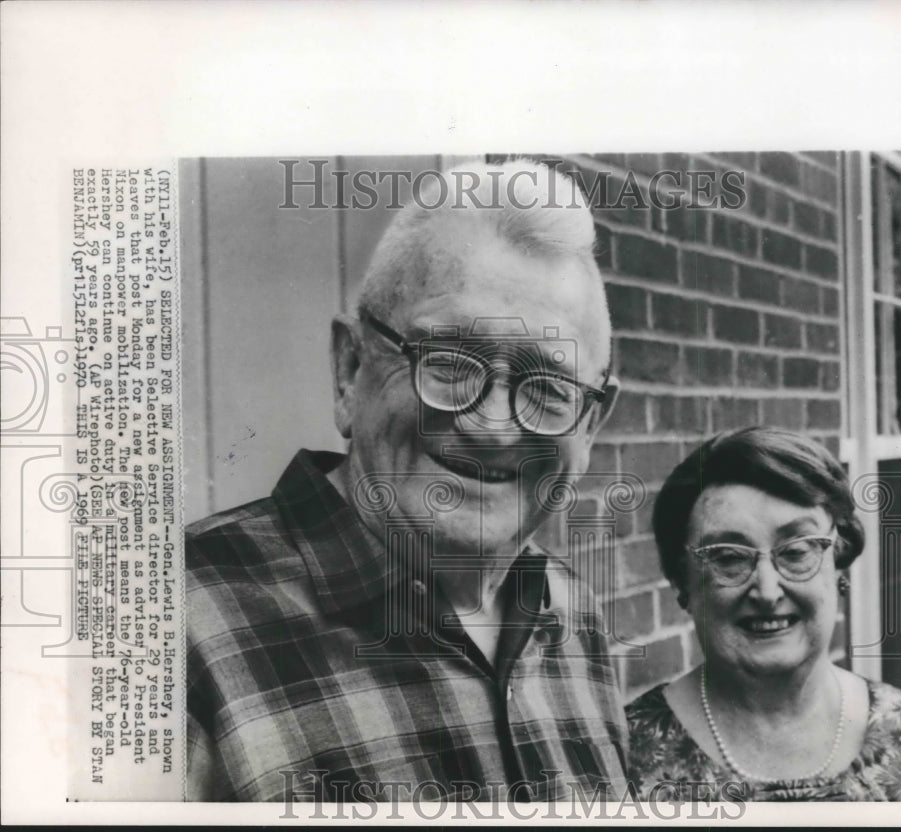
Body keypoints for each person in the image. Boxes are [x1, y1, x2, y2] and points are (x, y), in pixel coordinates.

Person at [186, 160, 629, 802]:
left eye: (548, 387)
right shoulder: (174, 629)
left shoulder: (576, 614)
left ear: (590, 423)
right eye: (448, 361)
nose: (494, 428)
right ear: (349, 370)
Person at [626, 427, 901, 801]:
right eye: (729, 557)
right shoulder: (621, 760)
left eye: (796, 551)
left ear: (838, 562)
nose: (767, 591)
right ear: (682, 581)